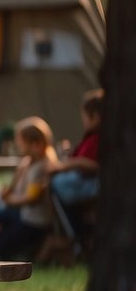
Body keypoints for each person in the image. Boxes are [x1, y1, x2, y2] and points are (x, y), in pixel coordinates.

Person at [0, 116, 58, 260]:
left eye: (21, 143)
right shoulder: (28, 164)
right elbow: (12, 188)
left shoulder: (42, 167)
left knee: (3, 247)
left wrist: (9, 200)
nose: (18, 146)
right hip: (23, 215)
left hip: (33, 221)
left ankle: (17, 253)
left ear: (35, 145)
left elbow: (31, 198)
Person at [47, 89, 102, 240]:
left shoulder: (99, 139)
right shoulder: (90, 138)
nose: (83, 122)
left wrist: (67, 165)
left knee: (53, 184)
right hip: (85, 185)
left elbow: (93, 165)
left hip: (91, 185)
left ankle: (74, 235)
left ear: (95, 117)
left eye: (85, 117)